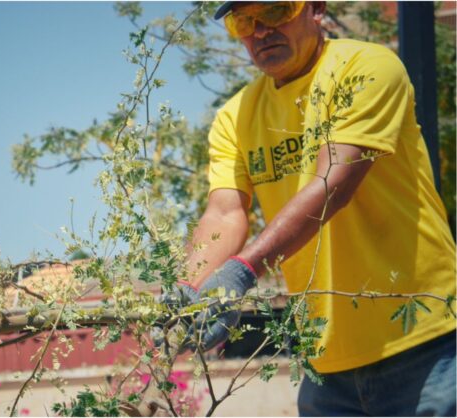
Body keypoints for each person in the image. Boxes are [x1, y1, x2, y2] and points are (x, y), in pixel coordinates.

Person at [169, 1, 456, 416]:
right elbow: (225, 213)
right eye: (243, 21)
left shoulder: (368, 66)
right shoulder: (235, 116)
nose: (260, 31)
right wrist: (191, 288)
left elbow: (333, 184)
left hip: (425, 349)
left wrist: (242, 270)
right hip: (325, 368)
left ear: (315, 9)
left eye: (274, 12)